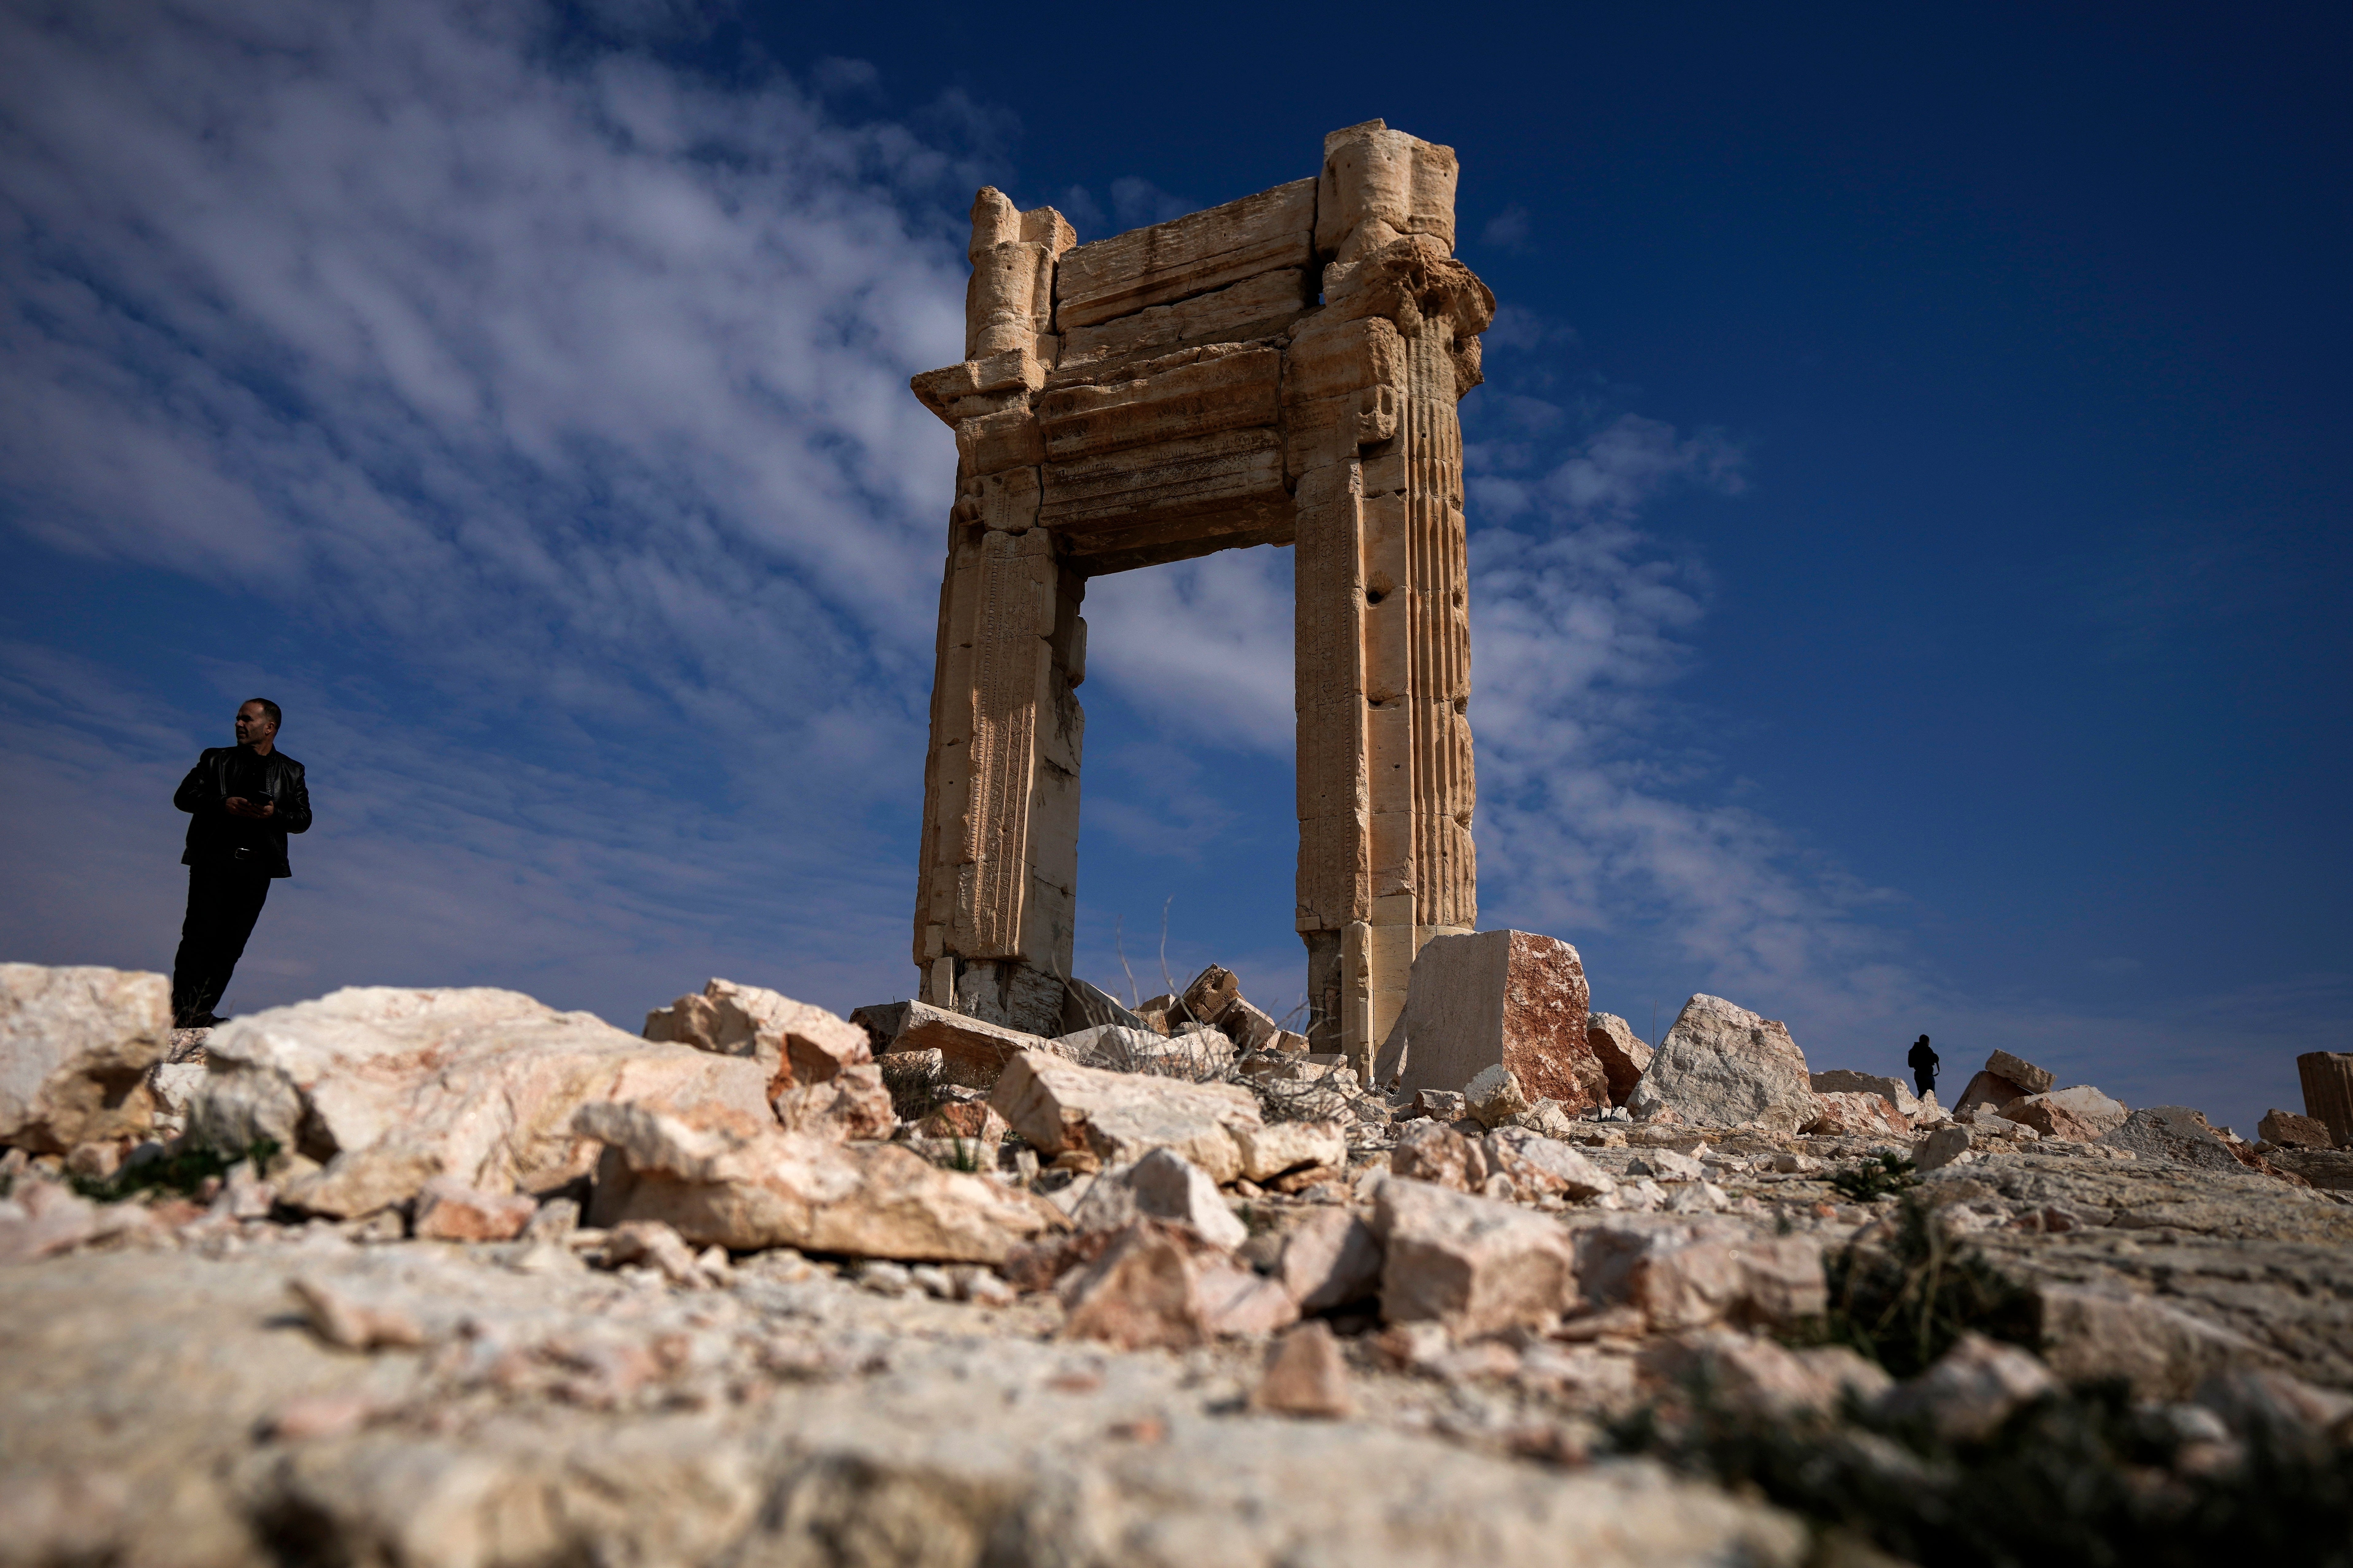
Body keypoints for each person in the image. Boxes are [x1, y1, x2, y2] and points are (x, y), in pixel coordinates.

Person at [170, 698, 312, 1027]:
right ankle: (180, 1014)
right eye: (238, 718)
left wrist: (272, 813)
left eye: (247, 719)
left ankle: (200, 1012)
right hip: (214, 858)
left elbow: (303, 819)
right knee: (199, 937)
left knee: (231, 944)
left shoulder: (291, 771)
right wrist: (223, 804)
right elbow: (184, 797)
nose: (239, 724)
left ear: (269, 727)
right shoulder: (215, 758)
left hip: (258, 867)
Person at [1907, 1034, 1939, 1100]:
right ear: (1927, 1042)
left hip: (1918, 1074)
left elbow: (1910, 1064)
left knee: (1922, 1093)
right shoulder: (1927, 1049)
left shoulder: (1913, 1050)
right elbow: (1935, 1059)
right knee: (1931, 1094)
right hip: (1927, 1074)